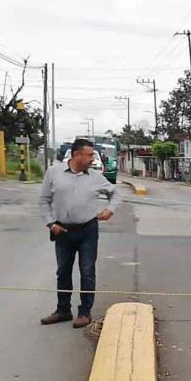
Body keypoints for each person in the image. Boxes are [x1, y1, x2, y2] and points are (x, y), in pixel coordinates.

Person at [38, 138, 122, 328]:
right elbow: (43, 200)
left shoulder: (95, 176)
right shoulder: (54, 172)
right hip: (62, 230)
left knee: (87, 272)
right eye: (90, 155)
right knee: (63, 272)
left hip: (87, 230)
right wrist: (50, 223)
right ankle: (63, 310)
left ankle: (85, 313)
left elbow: (116, 194)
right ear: (77, 155)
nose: (93, 159)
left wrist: (110, 210)